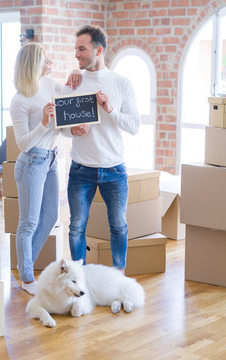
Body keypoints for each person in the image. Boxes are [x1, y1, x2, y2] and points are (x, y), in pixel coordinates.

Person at [67, 25, 140, 271]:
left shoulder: (122, 83)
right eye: (76, 49)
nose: (76, 54)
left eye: (81, 49)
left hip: (114, 169)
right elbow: (62, 125)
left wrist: (109, 109)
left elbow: (134, 126)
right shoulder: (74, 81)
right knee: (77, 226)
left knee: (118, 225)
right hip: (81, 169)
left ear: (98, 50)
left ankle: (118, 275)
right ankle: (80, 279)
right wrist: (71, 130)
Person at [10, 42, 80, 295]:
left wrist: (76, 73)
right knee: (28, 223)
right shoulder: (20, 100)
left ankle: (25, 264)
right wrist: (42, 122)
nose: (49, 62)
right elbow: (22, 143)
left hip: (51, 159)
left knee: (50, 216)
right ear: (33, 64)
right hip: (32, 161)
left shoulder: (50, 85)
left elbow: (73, 93)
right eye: (45, 59)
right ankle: (27, 277)